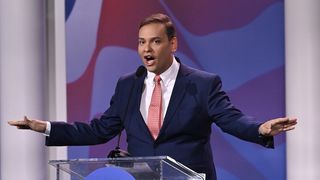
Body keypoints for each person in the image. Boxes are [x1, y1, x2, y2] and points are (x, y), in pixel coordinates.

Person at [8, 13, 297, 180]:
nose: (147, 49)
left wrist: (260, 129)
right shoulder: (128, 85)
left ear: (172, 44)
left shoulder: (202, 83)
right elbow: (99, 131)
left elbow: (230, 119)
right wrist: (45, 127)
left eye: (155, 41)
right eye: (141, 42)